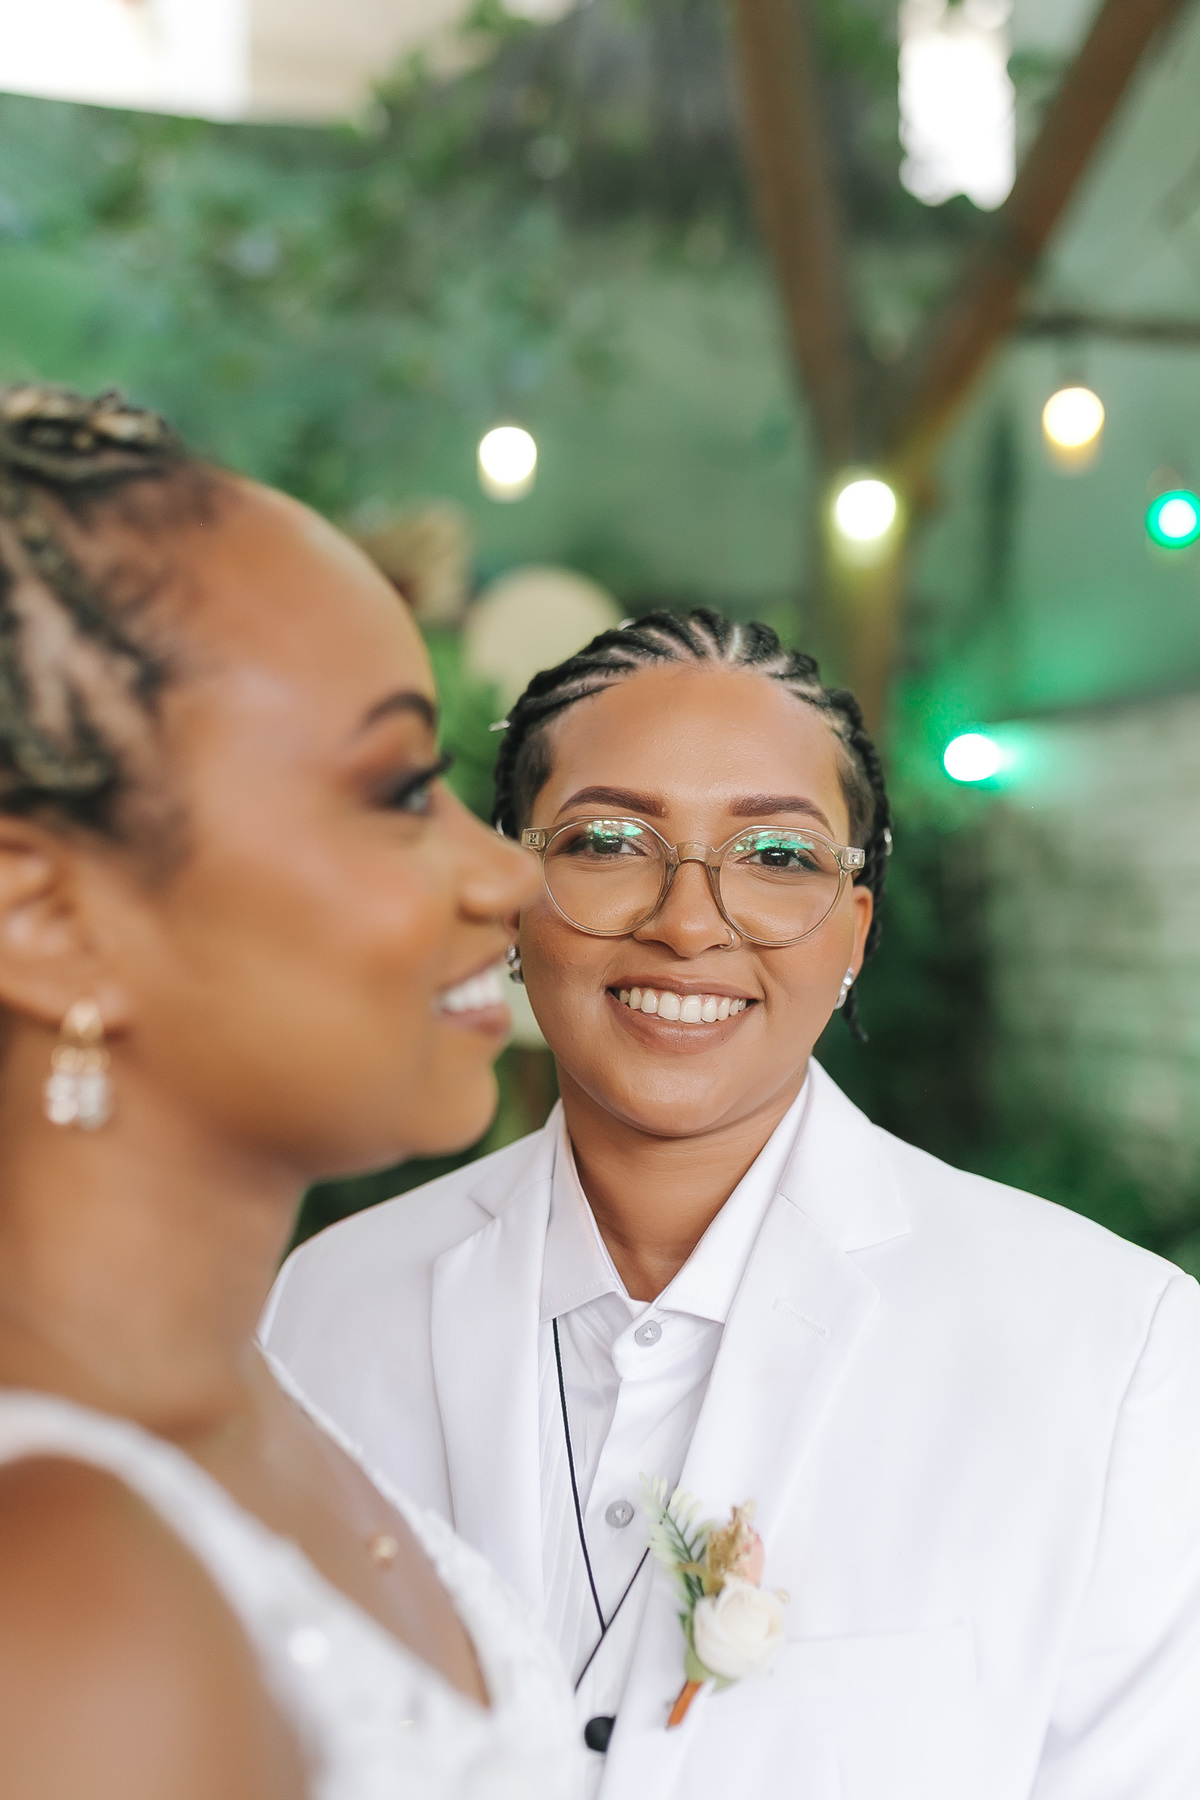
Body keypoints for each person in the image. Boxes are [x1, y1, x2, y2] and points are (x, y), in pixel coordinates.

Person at [265, 608, 1200, 1800]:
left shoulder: (1113, 1354)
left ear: (853, 930)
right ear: (509, 897)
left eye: (777, 858)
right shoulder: (328, 1304)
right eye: (609, 840)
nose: (688, 923)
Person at [0, 385, 579, 1800]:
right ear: (47, 918)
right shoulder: (65, 1617)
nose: (507, 871)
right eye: (399, 790)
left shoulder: (252, 1380)